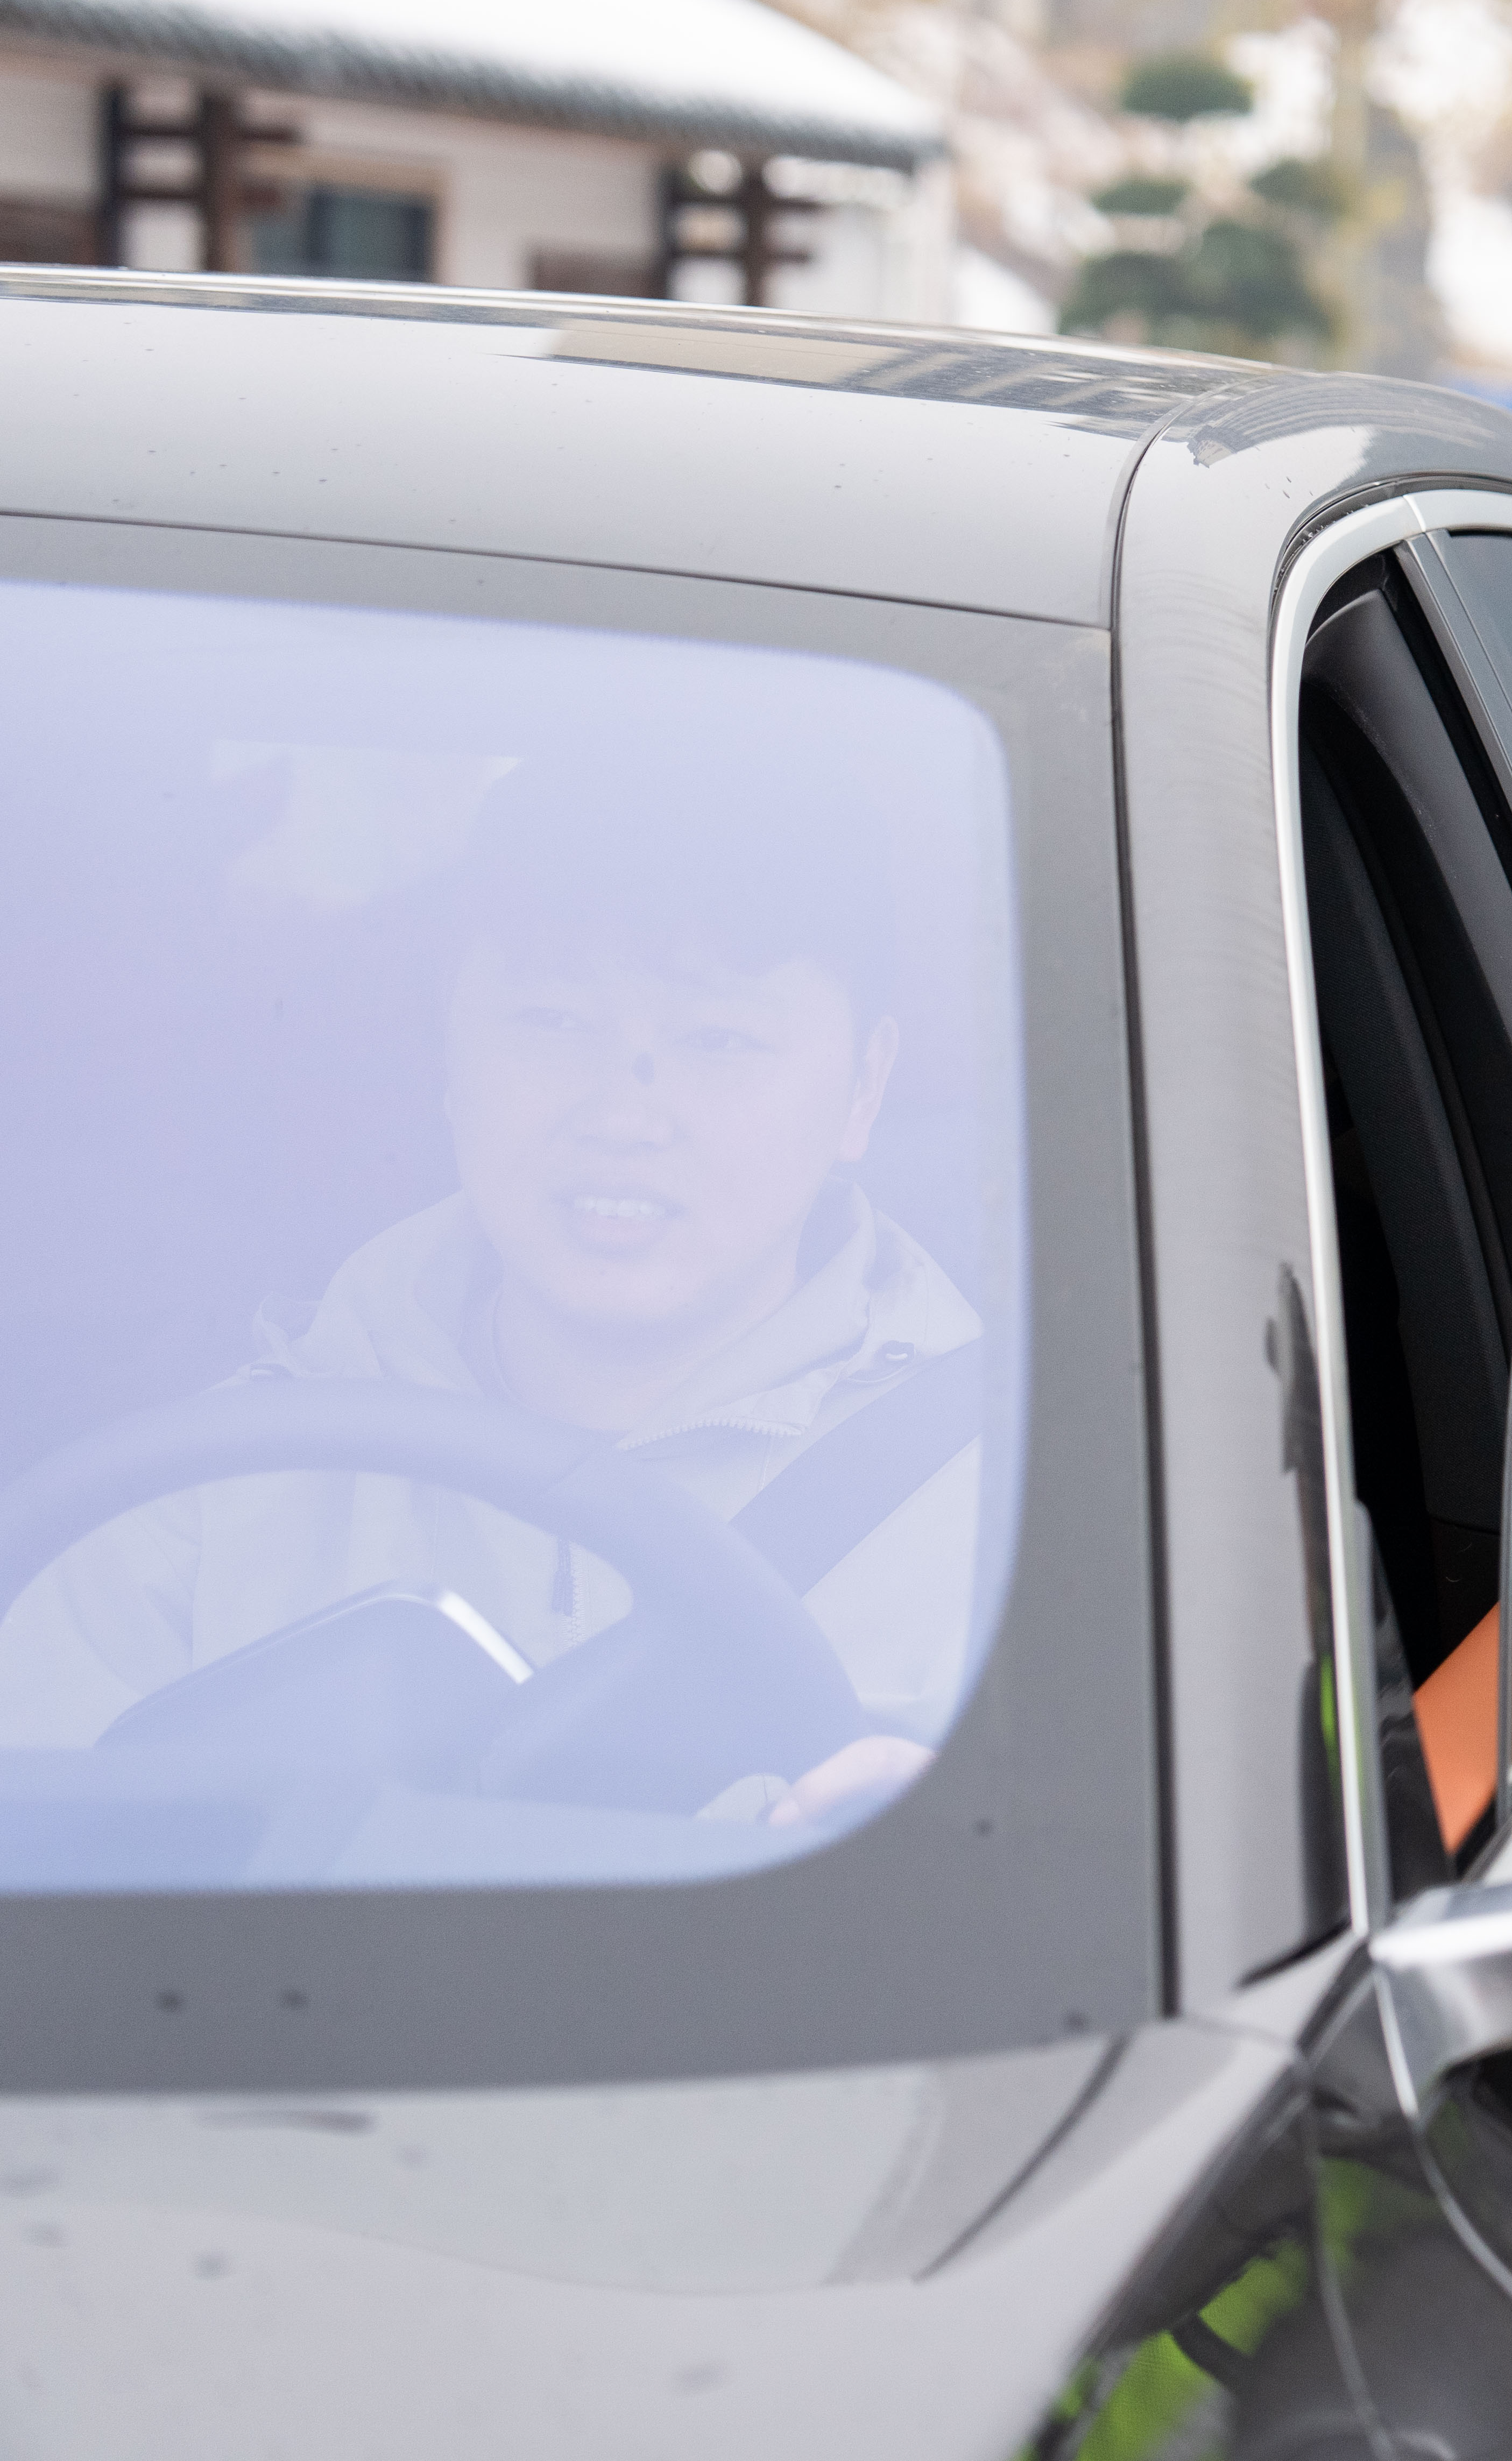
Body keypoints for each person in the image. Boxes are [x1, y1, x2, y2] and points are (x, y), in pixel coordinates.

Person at [0, 752, 983, 1829]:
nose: (622, 1115)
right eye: (553, 1022)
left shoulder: (1019, 1508)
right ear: (450, 1050)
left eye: (719, 1040)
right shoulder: (207, 1497)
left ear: (865, 1087)